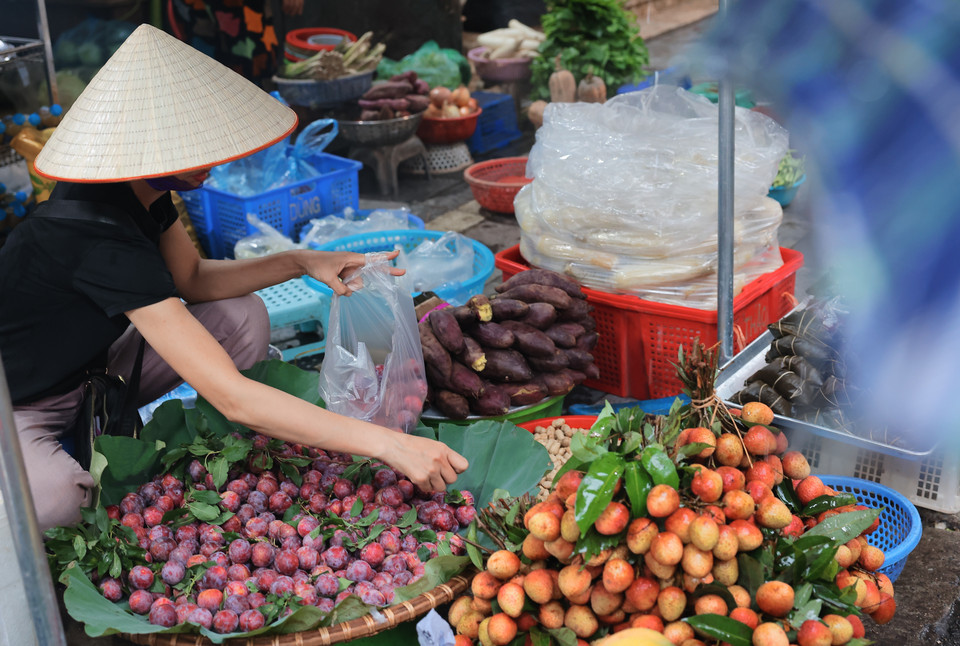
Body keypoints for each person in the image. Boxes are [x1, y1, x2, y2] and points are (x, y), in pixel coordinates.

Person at [0, 24, 467, 532]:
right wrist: (389, 444)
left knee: (241, 316)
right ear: (148, 151)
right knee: (61, 506)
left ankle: (225, 451)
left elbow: (194, 279)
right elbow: (232, 395)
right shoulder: (95, 236)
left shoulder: (140, 191)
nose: (216, 163)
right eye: (197, 149)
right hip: (19, 402)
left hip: (92, 371)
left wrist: (302, 261)